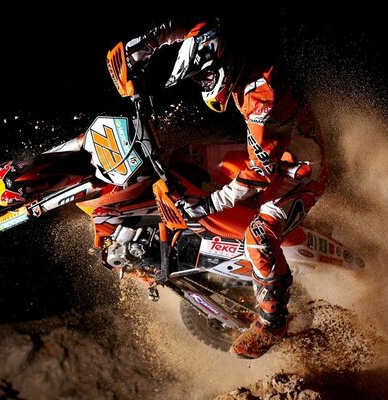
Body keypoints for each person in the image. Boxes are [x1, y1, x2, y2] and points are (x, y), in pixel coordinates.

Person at [122, 18, 327, 359]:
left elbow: (260, 173)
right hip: (275, 147)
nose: (203, 83)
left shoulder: (262, 95)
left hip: (300, 168)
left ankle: (272, 321)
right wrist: (145, 44)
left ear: (224, 65)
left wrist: (208, 204)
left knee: (259, 235)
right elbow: (193, 27)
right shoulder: (232, 43)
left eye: (204, 76)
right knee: (186, 156)